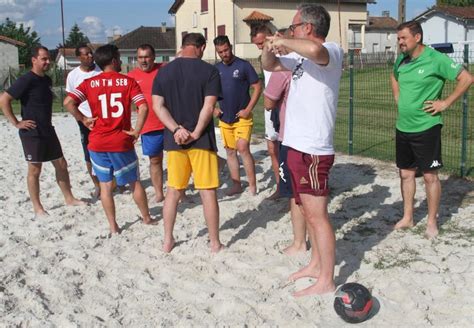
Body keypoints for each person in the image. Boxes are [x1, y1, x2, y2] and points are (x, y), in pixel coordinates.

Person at [262, 4, 344, 296]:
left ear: (308, 28)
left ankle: (326, 279)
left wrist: (283, 40)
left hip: (313, 150)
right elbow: (269, 66)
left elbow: (317, 53)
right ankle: (314, 264)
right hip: (294, 145)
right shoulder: (298, 57)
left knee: (317, 215)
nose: (290, 31)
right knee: (308, 213)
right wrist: (272, 46)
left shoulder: (332, 51)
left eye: (294, 27)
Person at [390, 21, 473, 239]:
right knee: (406, 174)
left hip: (427, 127)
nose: (400, 42)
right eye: (398, 38)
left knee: (429, 177)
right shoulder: (401, 59)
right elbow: (394, 75)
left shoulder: (436, 59)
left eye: (403, 38)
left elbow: (466, 78)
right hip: (403, 127)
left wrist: (445, 103)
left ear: (417, 38)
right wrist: (398, 97)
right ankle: (408, 217)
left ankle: (431, 221)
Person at [64, 44, 155, 234]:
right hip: (120, 141)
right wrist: (137, 130)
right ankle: (146, 218)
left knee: (105, 186)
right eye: (120, 58)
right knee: (134, 182)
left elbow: (68, 102)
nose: (121, 61)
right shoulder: (127, 81)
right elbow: (143, 107)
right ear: (114, 60)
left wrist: (83, 119)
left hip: (97, 142)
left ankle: (113, 226)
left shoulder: (90, 83)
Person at [152, 33, 223, 253]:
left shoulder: (164, 72)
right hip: (201, 140)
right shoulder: (210, 71)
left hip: (175, 141)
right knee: (207, 191)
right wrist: (194, 132)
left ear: (183, 47)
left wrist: (176, 129)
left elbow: (158, 106)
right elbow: (208, 107)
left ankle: (167, 240)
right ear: (201, 47)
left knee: (173, 191)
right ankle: (214, 242)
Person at [0, 46, 85, 218]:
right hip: (31, 131)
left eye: (48, 59)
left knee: (61, 164)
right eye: (44, 59)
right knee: (35, 170)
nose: (47, 62)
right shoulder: (26, 79)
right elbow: (4, 99)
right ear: (34, 60)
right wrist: (16, 122)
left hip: (47, 129)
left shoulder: (46, 80)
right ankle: (37, 207)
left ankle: (69, 198)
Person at [261, 28, 307, 255]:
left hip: (291, 135)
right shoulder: (315, 61)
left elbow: (269, 103)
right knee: (311, 194)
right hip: (314, 137)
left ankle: (300, 242)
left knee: (296, 194)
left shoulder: (285, 67)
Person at [213, 35, 262, 196]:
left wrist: (248, 109)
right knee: (230, 151)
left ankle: (253, 185)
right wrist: (214, 108)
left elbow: (257, 87)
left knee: (243, 148)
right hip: (224, 118)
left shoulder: (244, 65)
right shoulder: (216, 69)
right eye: (220, 52)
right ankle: (236, 184)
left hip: (242, 117)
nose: (224, 54)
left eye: (226, 50)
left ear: (231, 47)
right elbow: (209, 92)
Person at [128, 44, 166, 202]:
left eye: (147, 57)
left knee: (181, 158)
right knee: (155, 160)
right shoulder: (131, 76)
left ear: (154, 57)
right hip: (150, 126)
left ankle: (182, 192)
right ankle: (159, 193)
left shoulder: (165, 69)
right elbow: (126, 102)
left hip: (171, 122)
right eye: (140, 57)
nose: (143, 60)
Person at [65, 44, 102, 197]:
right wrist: (82, 118)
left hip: (102, 117)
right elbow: (69, 100)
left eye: (90, 53)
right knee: (88, 154)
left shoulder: (100, 71)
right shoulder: (73, 76)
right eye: (86, 54)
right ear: (78, 57)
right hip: (85, 119)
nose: (90, 56)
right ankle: (97, 184)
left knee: (109, 150)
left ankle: (115, 182)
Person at [251, 24, 280, 200]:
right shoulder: (264, 58)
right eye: (257, 45)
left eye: (262, 43)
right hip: (270, 109)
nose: (260, 47)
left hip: (284, 109)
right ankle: (280, 187)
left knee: (287, 151)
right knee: (272, 149)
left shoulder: (284, 54)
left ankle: (292, 189)